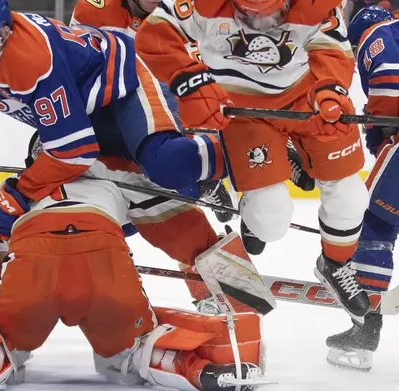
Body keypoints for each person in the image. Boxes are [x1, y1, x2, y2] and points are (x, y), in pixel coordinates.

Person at [0, 0, 249, 316]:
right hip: (80, 118)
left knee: (166, 165)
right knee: (117, 189)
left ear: (3, 34)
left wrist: (18, 193)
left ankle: (249, 152)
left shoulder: (32, 57)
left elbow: (74, 152)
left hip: (125, 85)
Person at [0, 155, 265, 391]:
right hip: (103, 257)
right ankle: (191, 366)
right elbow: (188, 235)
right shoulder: (121, 174)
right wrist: (232, 292)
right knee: (135, 349)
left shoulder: (12, 190)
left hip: (32, 263)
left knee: (2, 338)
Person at [134, 0, 371, 322]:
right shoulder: (197, 5)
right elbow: (155, 34)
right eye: (248, 13)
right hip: (244, 109)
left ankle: (335, 264)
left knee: (350, 195)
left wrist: (331, 94)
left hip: (308, 96)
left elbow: (332, 50)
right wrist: (189, 83)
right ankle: (258, 203)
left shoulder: (317, 4)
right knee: (270, 220)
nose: (261, 21)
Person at [71, 0, 316, 256]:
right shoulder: (94, 9)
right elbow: (80, 76)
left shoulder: (190, 12)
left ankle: (251, 162)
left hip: (172, 109)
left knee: (165, 173)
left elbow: (213, 83)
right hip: (116, 109)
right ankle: (224, 173)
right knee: (152, 187)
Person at [324, 4, 396, 372]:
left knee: (374, 225)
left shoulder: (377, 26)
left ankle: (364, 331)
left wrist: (378, 128)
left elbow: (390, 80)